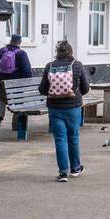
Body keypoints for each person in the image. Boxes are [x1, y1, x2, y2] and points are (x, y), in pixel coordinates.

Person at [38, 40, 91, 182]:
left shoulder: (50, 66)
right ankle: (75, 168)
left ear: (57, 52)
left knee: (60, 139)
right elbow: (85, 89)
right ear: (71, 52)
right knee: (73, 137)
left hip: (55, 108)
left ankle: (63, 172)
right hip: (73, 107)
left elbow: (42, 89)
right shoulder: (77, 65)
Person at [0, 34, 33, 131]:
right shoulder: (21, 54)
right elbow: (27, 70)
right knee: (17, 101)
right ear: (19, 42)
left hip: (3, 81)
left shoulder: (2, 51)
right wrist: (27, 82)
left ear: (10, 41)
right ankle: (15, 125)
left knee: (2, 99)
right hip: (17, 83)